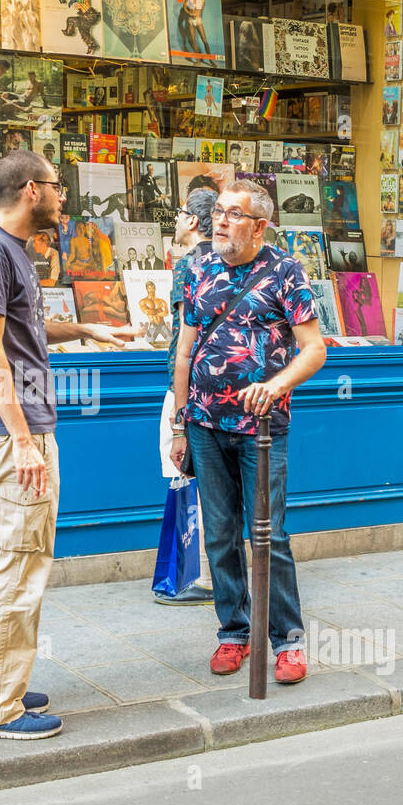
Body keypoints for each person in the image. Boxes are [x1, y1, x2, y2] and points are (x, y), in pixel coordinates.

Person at [0, 150, 138, 739]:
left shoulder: (4, 249)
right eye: (57, 187)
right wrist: (24, 441)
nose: (64, 197)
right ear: (33, 190)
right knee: (17, 562)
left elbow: (21, 328)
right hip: (15, 431)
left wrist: (84, 327)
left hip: (11, 429)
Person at [171, 179, 327, 685]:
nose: (220, 221)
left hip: (262, 428)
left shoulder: (286, 272)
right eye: (217, 212)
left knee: (269, 537)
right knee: (219, 536)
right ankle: (234, 633)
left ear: (259, 225)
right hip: (204, 425)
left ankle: (289, 642)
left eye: (233, 214)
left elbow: (314, 349)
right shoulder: (199, 268)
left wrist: (275, 385)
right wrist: (178, 422)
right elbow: (186, 349)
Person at [156, 188, 217, 605]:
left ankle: (201, 577)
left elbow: (185, 340)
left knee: (185, 473)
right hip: (218, 386)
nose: (176, 220)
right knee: (213, 481)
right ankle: (217, 573)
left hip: (188, 385)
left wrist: (180, 410)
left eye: (179, 213)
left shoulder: (188, 264)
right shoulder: (228, 259)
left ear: (193, 221)